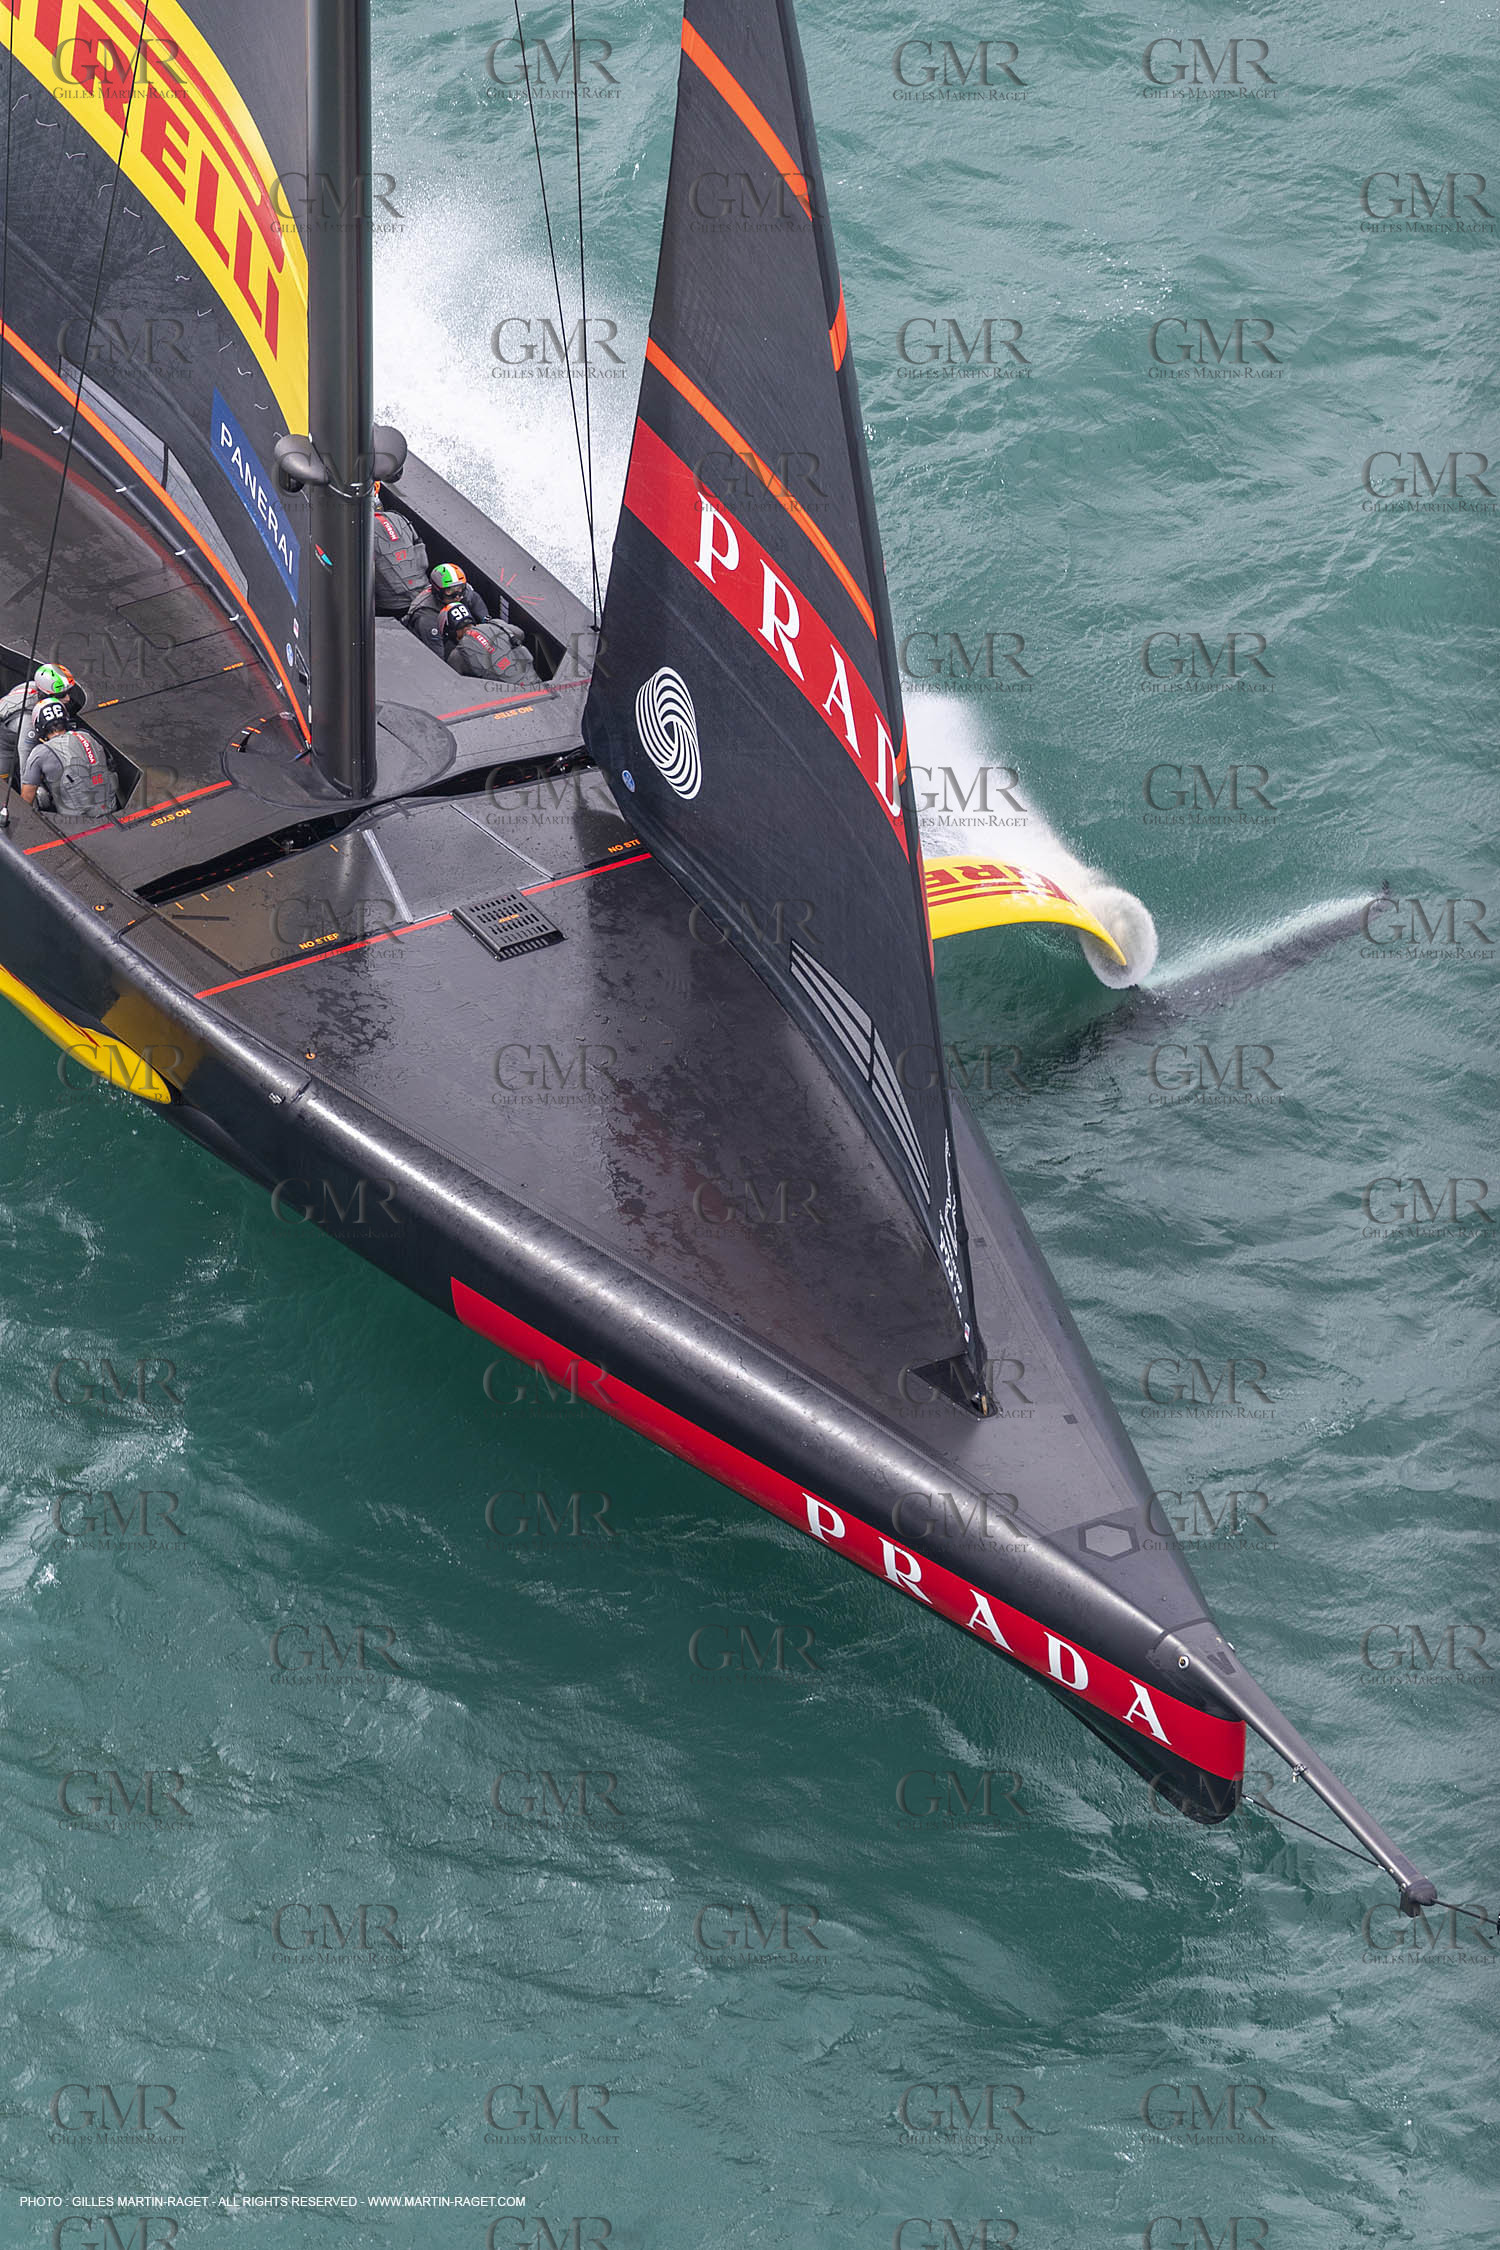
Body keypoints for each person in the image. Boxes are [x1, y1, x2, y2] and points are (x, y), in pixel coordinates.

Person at [19, 677, 118, 818]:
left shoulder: (39, 753)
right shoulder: (87, 736)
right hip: (112, 810)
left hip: (76, 824)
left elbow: (26, 799)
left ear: (39, 726)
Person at [0, 660, 88, 781]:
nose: (68, 698)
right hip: (6, 749)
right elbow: (26, 772)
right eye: (61, 695)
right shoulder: (28, 720)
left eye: (69, 693)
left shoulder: (32, 685)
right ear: (45, 694)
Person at [440, 605, 540, 687]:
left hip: (510, 698)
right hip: (534, 681)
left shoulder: (457, 655)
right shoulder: (496, 623)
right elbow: (520, 633)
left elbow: (455, 683)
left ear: (450, 632)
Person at [404, 562, 490, 655]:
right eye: (450, 591)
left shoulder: (464, 592)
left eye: (460, 588)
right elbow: (438, 654)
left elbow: (476, 601)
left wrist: (487, 625)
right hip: (430, 640)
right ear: (438, 591)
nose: (457, 596)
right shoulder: (427, 616)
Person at [373, 486, 429, 616]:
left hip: (392, 607)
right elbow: (420, 550)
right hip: (424, 595)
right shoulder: (398, 517)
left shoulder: (359, 531)